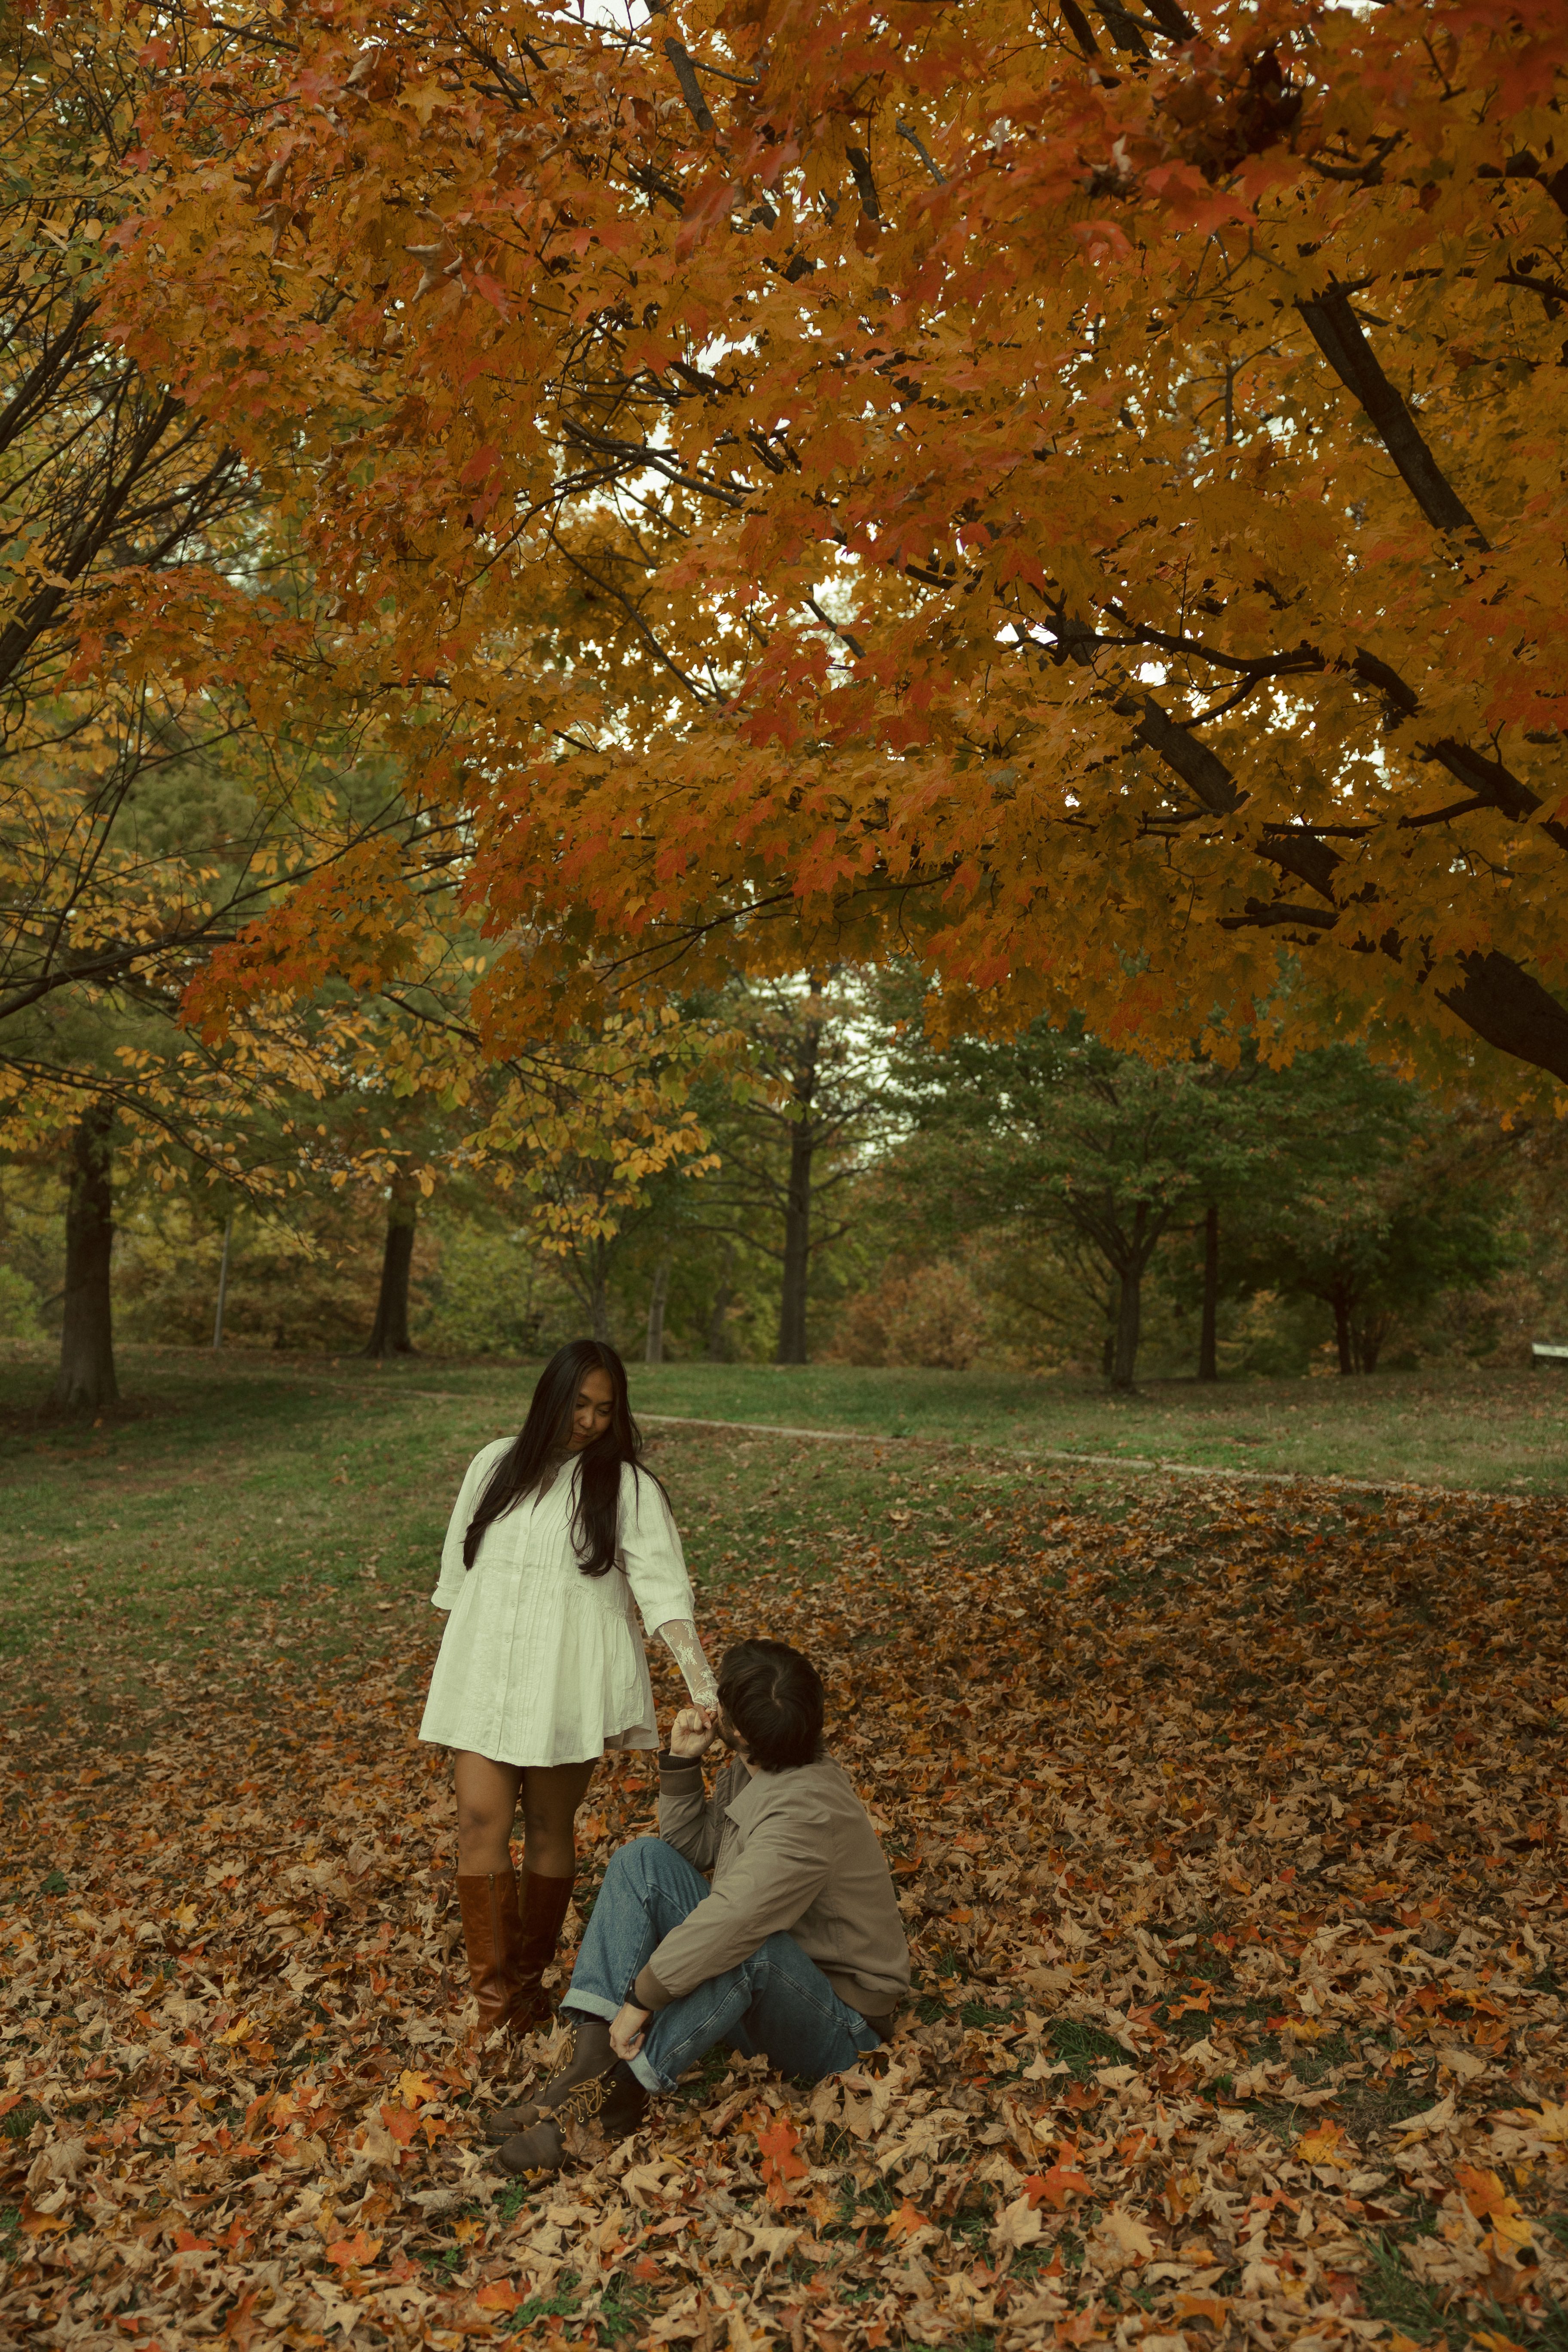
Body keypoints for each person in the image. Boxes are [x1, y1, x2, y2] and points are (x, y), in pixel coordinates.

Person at [481, 1638, 909, 2174]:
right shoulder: (765, 1763)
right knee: (643, 1860)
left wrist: (644, 1995)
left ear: (743, 1734)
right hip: (781, 1971)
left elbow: (731, 1923)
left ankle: (614, 2103)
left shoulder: (805, 1816)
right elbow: (703, 1850)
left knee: (744, 1947)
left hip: (842, 2024)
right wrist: (683, 1765)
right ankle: (585, 2073)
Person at [419, 1339, 717, 2045]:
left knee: (550, 1830)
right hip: (488, 1670)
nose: (588, 1421)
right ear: (549, 1396)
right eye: (578, 1404)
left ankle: (526, 1987)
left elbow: (663, 1589)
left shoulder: (627, 1487)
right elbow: (460, 1576)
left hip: (566, 1678)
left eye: (604, 1409)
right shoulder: (493, 1463)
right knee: (478, 1825)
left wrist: (701, 1681)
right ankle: (497, 2012)